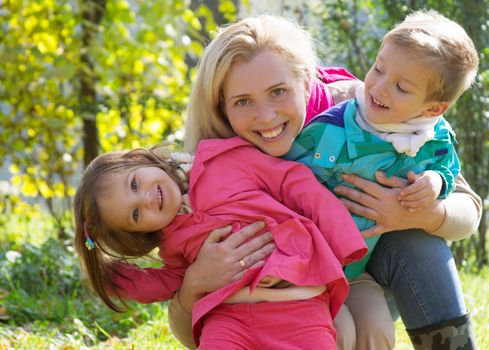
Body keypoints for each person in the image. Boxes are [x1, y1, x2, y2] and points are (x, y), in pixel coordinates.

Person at [171, 13, 482, 350]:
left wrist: (420, 213)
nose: (266, 116)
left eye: (278, 91)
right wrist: (195, 282)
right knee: (334, 330)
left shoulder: (366, 109)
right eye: (243, 101)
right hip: (279, 298)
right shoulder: (213, 167)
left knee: (418, 243)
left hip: (364, 269)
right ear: (222, 108)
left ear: (305, 81)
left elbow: (468, 209)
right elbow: (189, 333)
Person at [73, 143, 368, 349]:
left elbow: (295, 182)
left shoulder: (223, 160)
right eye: (136, 214)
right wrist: (117, 280)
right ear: (140, 232)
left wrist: (343, 238)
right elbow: (172, 281)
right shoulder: (172, 244)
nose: (146, 199)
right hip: (228, 318)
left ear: (139, 160)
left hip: (298, 306)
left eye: (135, 184)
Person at [285, 9, 477, 285]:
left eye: (401, 87)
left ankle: (449, 330)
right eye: (378, 69)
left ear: (433, 108)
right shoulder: (334, 126)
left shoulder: (434, 137)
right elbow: (283, 177)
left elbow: (448, 170)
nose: (379, 87)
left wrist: (435, 182)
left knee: (426, 248)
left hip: (359, 270)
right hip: (304, 261)